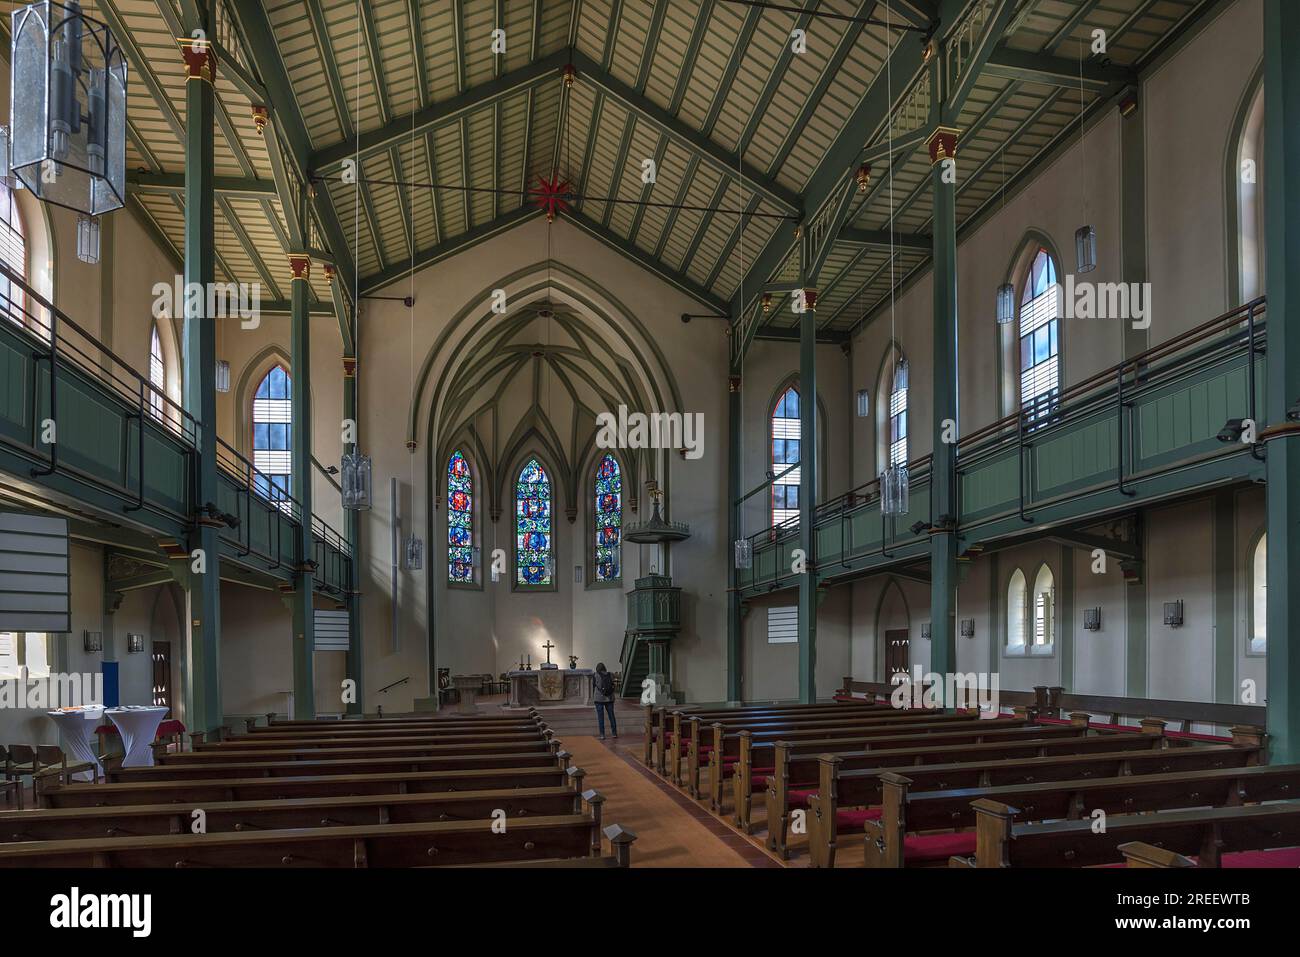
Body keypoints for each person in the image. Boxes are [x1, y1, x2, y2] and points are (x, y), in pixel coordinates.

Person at [593, 663, 618, 740]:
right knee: (611, 716)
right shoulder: (610, 674)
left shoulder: (595, 675)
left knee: (601, 717)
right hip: (609, 698)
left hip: (599, 699)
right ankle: (614, 733)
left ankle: (602, 735)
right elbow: (614, 684)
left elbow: (594, 685)